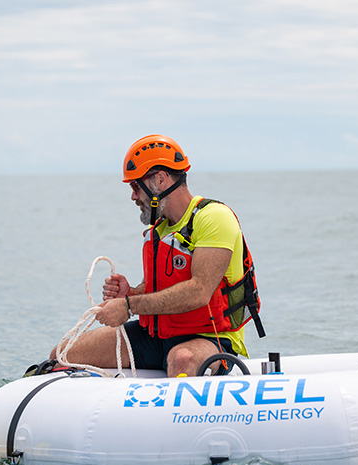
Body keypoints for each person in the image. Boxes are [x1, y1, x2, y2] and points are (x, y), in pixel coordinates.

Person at [50, 134, 264, 377]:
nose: (133, 196)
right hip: (156, 336)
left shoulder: (214, 218)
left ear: (160, 179)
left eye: (135, 186)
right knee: (62, 353)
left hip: (210, 338)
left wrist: (129, 306)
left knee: (182, 359)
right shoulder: (159, 229)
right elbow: (163, 290)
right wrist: (131, 292)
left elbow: (200, 291)